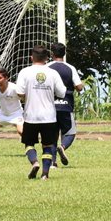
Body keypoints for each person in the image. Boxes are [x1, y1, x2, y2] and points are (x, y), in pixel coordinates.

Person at [13, 45, 67, 180]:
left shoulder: (24, 72)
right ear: (47, 58)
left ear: (31, 57)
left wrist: (28, 96)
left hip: (31, 116)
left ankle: (35, 162)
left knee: (29, 143)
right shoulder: (53, 73)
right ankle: (45, 174)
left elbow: (19, 93)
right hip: (49, 116)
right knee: (48, 146)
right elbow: (62, 92)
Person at [48, 43, 85, 166]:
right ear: (64, 53)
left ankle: (53, 163)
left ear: (52, 53)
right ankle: (63, 147)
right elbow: (79, 87)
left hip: (50, 106)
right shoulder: (70, 68)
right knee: (70, 132)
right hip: (66, 105)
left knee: (52, 135)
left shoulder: (47, 68)